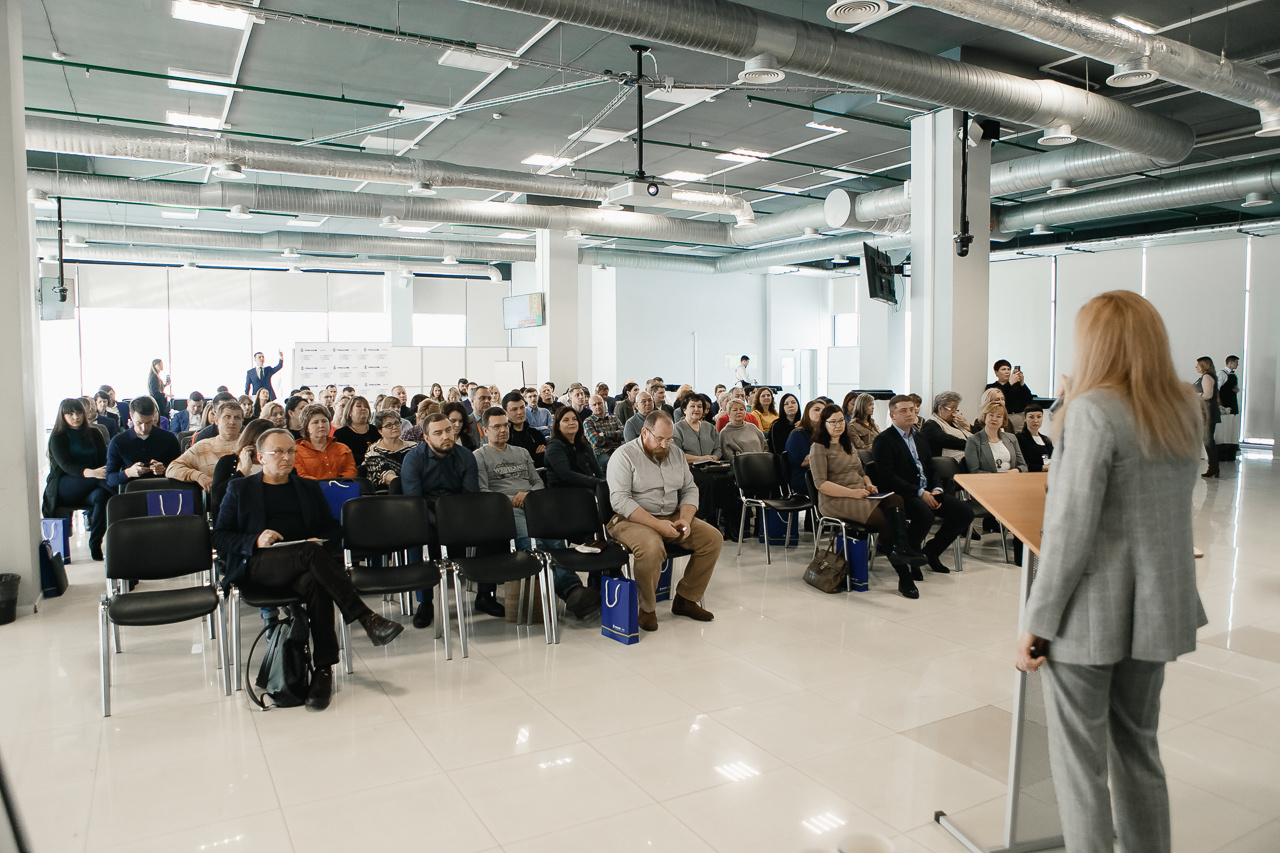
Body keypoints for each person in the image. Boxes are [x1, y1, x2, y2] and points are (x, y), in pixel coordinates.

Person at [1016, 290, 1205, 853]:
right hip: (1156, 607)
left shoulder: (1093, 410)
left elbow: (1070, 529)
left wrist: (1036, 620)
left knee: (1079, 769)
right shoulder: (1182, 407)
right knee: (1138, 749)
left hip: (1089, 616)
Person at [214, 428, 404, 711]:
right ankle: (365, 617)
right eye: (278, 452)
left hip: (302, 566)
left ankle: (324, 670)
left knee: (316, 584)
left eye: (291, 451)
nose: (286, 458)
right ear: (260, 457)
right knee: (310, 555)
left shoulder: (307, 487)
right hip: (259, 566)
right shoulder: (240, 488)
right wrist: (253, 539)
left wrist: (322, 539)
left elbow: (332, 527)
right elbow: (219, 536)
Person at [474, 406, 601, 619]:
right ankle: (572, 590)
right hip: (506, 510)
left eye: (505, 425)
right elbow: (483, 491)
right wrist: (513, 500)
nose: (503, 430)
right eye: (496, 427)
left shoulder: (521, 453)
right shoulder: (479, 456)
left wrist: (527, 495)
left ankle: (573, 591)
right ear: (484, 431)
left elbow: (537, 482)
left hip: (533, 503)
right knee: (534, 542)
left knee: (555, 541)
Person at [606, 411, 721, 633]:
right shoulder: (624, 455)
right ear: (644, 433)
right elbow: (620, 500)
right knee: (651, 548)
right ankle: (647, 609)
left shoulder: (676, 453)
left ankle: (686, 599)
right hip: (631, 519)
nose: (664, 445)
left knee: (712, 539)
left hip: (672, 515)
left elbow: (689, 489)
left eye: (669, 439)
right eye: (659, 438)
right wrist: (658, 526)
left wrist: (685, 519)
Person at [810, 403, 926, 598]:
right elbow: (821, 484)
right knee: (882, 520)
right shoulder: (818, 447)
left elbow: (860, 472)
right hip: (834, 499)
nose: (838, 425)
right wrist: (852, 493)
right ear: (824, 424)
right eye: (833, 422)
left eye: (841, 421)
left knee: (896, 500)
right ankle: (904, 576)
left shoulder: (848, 444)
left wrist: (868, 484)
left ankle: (902, 548)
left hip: (859, 493)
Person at [401, 413, 503, 625]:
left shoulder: (465, 455)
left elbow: (470, 497)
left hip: (460, 514)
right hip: (426, 515)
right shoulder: (413, 459)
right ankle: (425, 602)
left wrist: (455, 522)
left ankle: (485, 595)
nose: (446, 436)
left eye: (448, 430)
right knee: (418, 536)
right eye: (438, 433)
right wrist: (440, 522)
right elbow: (415, 502)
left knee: (492, 532)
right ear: (426, 438)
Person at [871, 395, 974, 576]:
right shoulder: (884, 440)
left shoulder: (920, 437)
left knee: (965, 513)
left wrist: (936, 488)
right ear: (892, 415)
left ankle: (931, 552)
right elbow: (887, 477)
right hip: (902, 493)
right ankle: (911, 556)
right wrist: (919, 492)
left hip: (928, 491)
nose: (910, 414)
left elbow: (931, 468)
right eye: (903, 411)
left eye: (912, 410)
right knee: (924, 515)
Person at [43, 398, 112, 561]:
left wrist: (99, 472)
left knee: (102, 496)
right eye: (70, 414)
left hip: (93, 485)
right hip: (65, 485)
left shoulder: (95, 433)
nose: (76, 417)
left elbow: (103, 461)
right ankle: (123, 494)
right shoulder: (58, 437)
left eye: (79, 412)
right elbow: (67, 466)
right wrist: (93, 473)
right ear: (63, 416)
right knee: (107, 484)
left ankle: (95, 544)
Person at [105, 396, 182, 490]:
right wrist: (128, 473)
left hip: (163, 489)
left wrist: (164, 469)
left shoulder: (169, 438)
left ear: (154, 417)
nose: (144, 428)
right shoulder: (118, 442)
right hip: (133, 491)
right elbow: (110, 479)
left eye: (149, 422)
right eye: (139, 423)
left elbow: (180, 469)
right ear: (131, 416)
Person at [167, 402, 244, 493]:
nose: (232, 422)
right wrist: (198, 476)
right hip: (213, 501)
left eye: (237, 418)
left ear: (242, 422)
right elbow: (172, 469)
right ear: (216, 420)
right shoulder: (202, 447)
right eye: (227, 417)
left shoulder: (251, 446)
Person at [211, 417, 272, 515]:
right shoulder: (228, 462)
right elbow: (218, 497)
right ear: (248, 444)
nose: (260, 451)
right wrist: (242, 472)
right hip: (238, 517)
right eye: (255, 445)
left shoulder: (278, 463)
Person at [544, 406, 605, 489]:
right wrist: (598, 483)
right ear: (558, 426)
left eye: (574, 419)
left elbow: (598, 472)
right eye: (566, 420)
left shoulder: (584, 444)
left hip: (586, 490)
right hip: (563, 494)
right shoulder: (554, 446)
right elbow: (566, 475)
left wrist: (604, 484)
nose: (571, 422)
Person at [293, 404, 357, 480]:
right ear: (307, 428)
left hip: (341, 489)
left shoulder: (343, 449)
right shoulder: (296, 451)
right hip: (311, 490)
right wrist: (323, 487)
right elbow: (301, 476)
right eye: (315, 422)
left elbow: (351, 472)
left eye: (324, 421)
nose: (321, 425)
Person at [965, 401, 1028, 475]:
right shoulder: (973, 440)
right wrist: (997, 477)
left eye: (998, 416)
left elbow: (1023, 466)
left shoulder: (1011, 438)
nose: (994, 419)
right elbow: (974, 471)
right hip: (987, 482)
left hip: (1011, 480)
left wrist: (1017, 470)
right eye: (991, 415)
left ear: (1003, 420)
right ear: (985, 417)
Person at [785, 398, 827, 496]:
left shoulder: (824, 434)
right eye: (817, 410)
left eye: (823, 411)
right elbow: (804, 462)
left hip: (822, 474)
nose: (821, 413)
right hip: (804, 477)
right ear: (807, 412)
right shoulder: (797, 434)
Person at [363, 411, 414, 488]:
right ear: (380, 431)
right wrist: (409, 483)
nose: (394, 427)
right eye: (388, 425)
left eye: (397, 423)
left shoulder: (413, 447)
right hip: (386, 493)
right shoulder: (373, 452)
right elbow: (386, 476)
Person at [986, 359, 1035, 432]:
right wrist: (1009, 383)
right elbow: (999, 396)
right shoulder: (992, 387)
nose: (1007, 372)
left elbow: (1029, 399)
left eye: (1009, 369)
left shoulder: (1017, 386)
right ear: (996, 373)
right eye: (1003, 369)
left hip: (1018, 417)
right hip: (1001, 417)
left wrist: (1022, 384)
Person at [920, 392, 969, 462]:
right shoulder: (930, 425)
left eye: (956, 409)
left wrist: (966, 426)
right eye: (951, 408)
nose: (954, 413)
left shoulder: (954, 423)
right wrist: (971, 445)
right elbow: (948, 440)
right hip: (949, 463)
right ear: (940, 408)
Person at [718, 399, 767, 465]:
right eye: (735, 410)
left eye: (741, 409)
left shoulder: (752, 427)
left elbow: (765, 446)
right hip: (742, 467)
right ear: (729, 413)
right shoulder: (725, 433)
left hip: (762, 464)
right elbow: (729, 457)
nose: (739, 412)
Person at [502, 391, 546, 467]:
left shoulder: (536, 434)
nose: (520, 412)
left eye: (522, 407)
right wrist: (536, 456)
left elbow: (546, 459)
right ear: (506, 412)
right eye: (514, 409)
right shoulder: (504, 437)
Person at [333, 396, 377, 468]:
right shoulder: (340, 433)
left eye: (366, 406)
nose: (363, 408)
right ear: (349, 411)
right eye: (359, 406)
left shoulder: (374, 430)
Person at [1194, 356, 1220, 478]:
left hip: (1208, 412)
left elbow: (1208, 394)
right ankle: (1213, 466)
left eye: (1198, 365)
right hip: (1208, 411)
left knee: (1208, 440)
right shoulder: (1208, 377)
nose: (1196, 367)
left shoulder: (1206, 377)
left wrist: (1194, 395)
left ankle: (1213, 466)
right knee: (1208, 439)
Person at [674, 395, 720, 463]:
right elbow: (676, 454)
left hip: (711, 468)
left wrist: (715, 457)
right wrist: (703, 459)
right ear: (684, 410)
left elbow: (719, 448)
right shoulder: (677, 428)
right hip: (688, 469)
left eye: (699, 406)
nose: (696, 409)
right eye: (692, 406)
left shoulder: (710, 427)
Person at [582, 394, 624, 469]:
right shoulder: (588, 422)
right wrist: (615, 437)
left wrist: (604, 434)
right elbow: (596, 441)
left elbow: (623, 434)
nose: (597, 406)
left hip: (618, 449)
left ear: (604, 403)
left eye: (599, 403)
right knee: (613, 464)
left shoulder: (614, 418)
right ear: (590, 407)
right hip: (601, 453)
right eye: (594, 405)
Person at [1017, 404, 1054, 473]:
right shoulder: (1019, 438)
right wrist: (1042, 467)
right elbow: (1021, 464)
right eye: (1031, 417)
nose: (1035, 420)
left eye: (1039, 417)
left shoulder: (1047, 440)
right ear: (1025, 418)